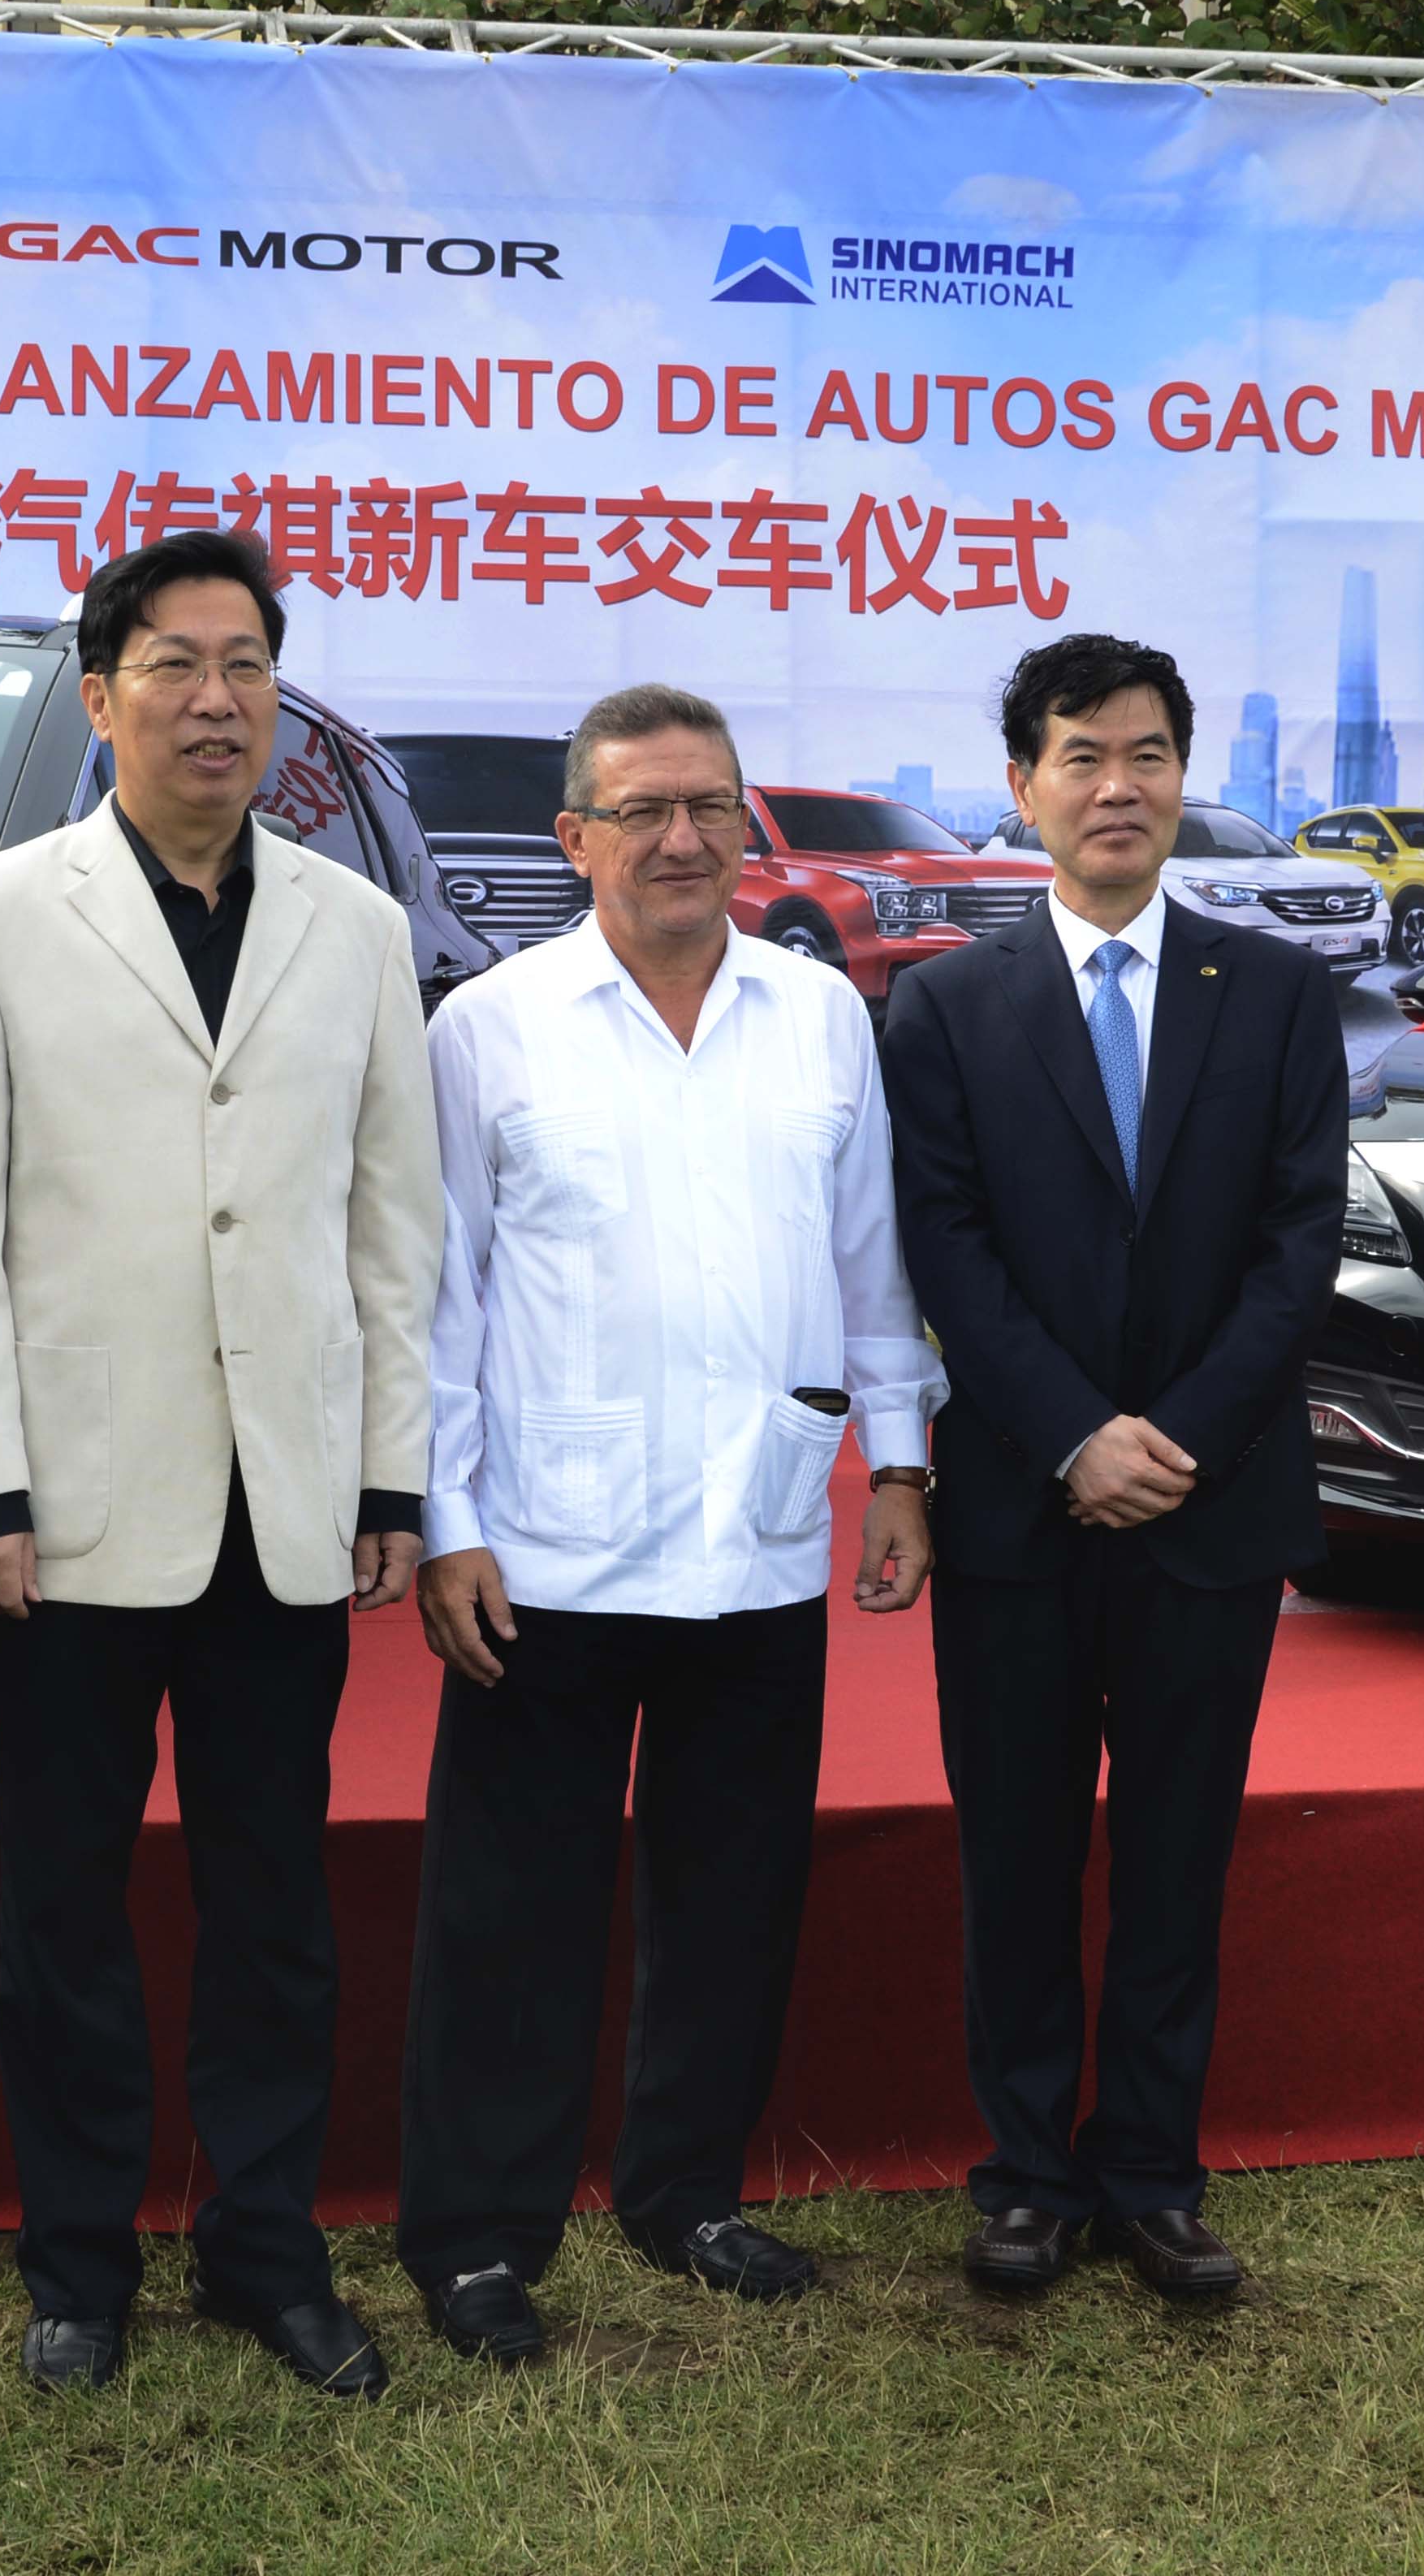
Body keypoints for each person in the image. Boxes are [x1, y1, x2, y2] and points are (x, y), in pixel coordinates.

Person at [0, 528, 444, 2399]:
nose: (214, 700)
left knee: (274, 1909)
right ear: (103, 688)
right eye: (175, 665)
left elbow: (392, 1227)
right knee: (64, 1917)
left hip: (284, 1507)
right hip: (64, 1506)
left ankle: (265, 2249)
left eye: (245, 665)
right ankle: (78, 2265)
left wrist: (387, 1474)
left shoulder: (353, 929)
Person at [397, 686, 943, 2367]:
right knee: (512, 1910)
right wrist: (444, 1521)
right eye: (640, 811)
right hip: (542, 1544)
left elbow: (869, 1264)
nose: (682, 838)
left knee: (732, 1889)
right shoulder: (489, 1027)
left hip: (761, 1529)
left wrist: (902, 1465)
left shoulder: (816, 1015)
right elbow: (438, 1296)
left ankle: (681, 2189)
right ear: (575, 841)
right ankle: (479, 2236)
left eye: (707, 805)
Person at [875, 633, 1349, 2305]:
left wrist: (1183, 1436)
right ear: (1020, 789)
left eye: (1146, 755)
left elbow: (1302, 1246)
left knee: (1171, 1854)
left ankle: (1149, 2172)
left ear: (1181, 778)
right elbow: (942, 1246)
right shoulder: (941, 1005)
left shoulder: (1277, 994)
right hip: (1018, 1502)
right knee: (1012, 1854)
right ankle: (1023, 2176)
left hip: (1211, 1511)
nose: (1115, 787)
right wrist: (1075, 1431)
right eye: (1080, 757)